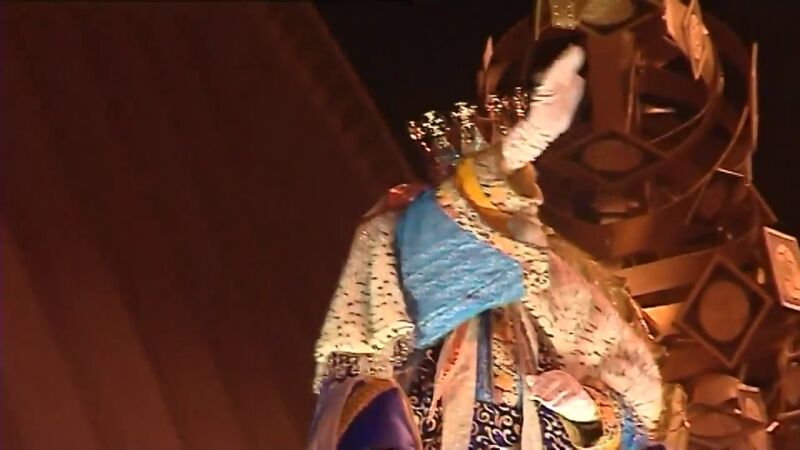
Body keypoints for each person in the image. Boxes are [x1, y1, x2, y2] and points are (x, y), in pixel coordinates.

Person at [308, 46, 666, 450]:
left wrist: (589, 413)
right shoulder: (405, 241)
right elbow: (437, 250)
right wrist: (520, 147)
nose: (504, 210)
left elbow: (637, 427)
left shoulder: (563, 289)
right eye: (494, 189)